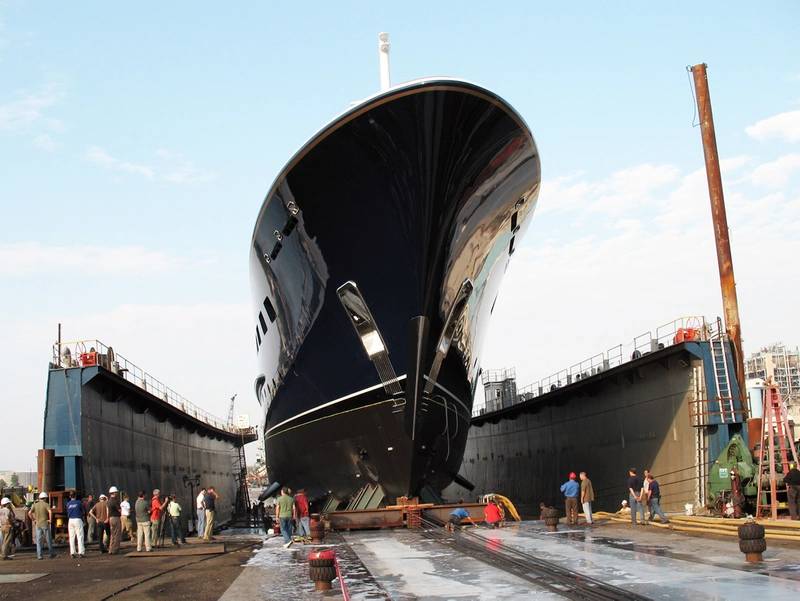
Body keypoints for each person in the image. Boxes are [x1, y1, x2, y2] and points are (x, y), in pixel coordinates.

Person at [29, 492, 55, 560]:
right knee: (48, 539)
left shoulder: (35, 505)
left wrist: (33, 520)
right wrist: (50, 520)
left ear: (39, 498)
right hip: (45, 524)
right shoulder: (46, 504)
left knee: (38, 541)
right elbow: (50, 512)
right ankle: (51, 554)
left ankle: (39, 556)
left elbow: (29, 513)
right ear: (45, 498)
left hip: (38, 525)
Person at [65, 491, 86, 558]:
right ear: (75, 496)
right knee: (80, 536)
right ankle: (81, 552)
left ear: (70, 496)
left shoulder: (68, 504)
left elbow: (67, 512)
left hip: (70, 520)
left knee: (71, 537)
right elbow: (83, 512)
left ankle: (72, 552)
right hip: (77, 519)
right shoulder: (79, 503)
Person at [107, 486, 122, 554]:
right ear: (114, 493)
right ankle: (115, 550)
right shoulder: (115, 501)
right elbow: (119, 510)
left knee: (112, 534)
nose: (117, 493)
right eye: (116, 492)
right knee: (117, 534)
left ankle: (110, 549)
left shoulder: (109, 501)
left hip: (110, 518)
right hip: (116, 518)